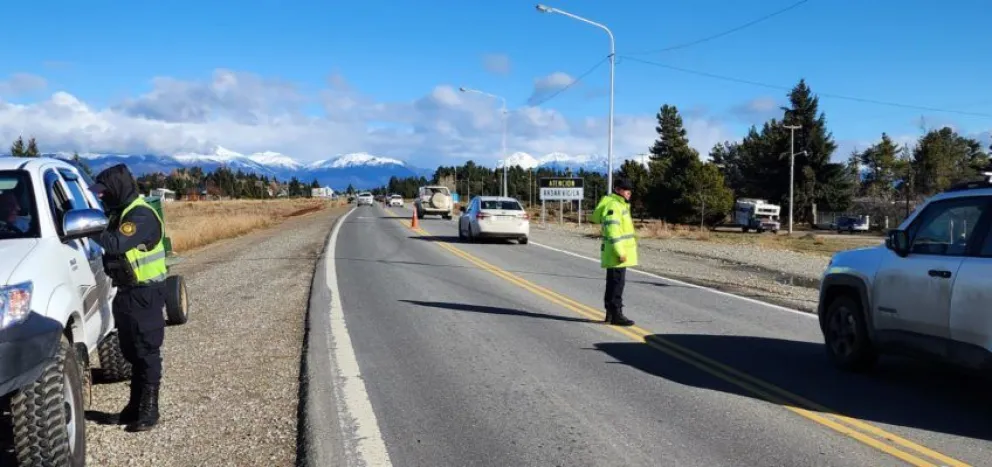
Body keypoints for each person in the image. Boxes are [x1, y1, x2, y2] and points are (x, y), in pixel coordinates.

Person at [89, 163, 168, 432]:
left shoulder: (140, 215)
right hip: (126, 293)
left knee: (147, 353)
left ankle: (149, 410)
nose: (101, 197)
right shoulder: (121, 213)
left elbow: (115, 243)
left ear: (118, 189)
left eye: (104, 192)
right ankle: (133, 408)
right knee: (132, 353)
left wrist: (89, 227)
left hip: (145, 294)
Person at [590, 177, 638, 326]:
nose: (628, 192)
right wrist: (620, 252)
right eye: (625, 189)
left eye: (630, 190)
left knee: (613, 282)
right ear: (617, 190)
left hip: (616, 252)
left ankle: (610, 314)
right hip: (617, 253)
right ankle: (616, 313)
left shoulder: (619, 204)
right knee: (617, 283)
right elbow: (613, 230)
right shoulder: (615, 205)